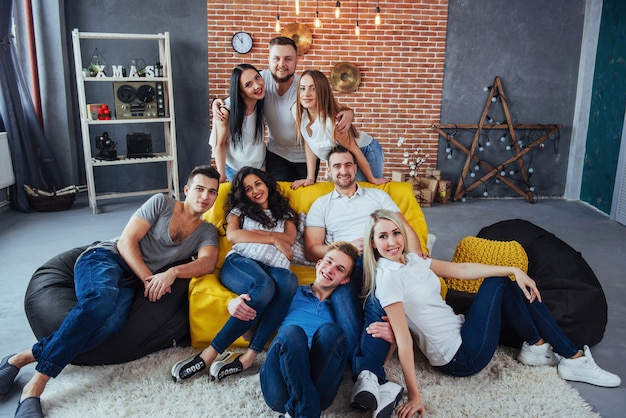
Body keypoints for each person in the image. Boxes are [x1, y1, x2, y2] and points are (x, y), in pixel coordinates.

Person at [0, 166, 221, 418]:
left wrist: (171, 273)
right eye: (200, 189)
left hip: (130, 283)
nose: (205, 196)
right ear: (187, 189)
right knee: (100, 302)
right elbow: (127, 241)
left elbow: (206, 263)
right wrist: (149, 279)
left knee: (109, 328)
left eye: (212, 192)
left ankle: (21, 358)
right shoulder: (161, 203)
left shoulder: (206, 231)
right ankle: (34, 388)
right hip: (105, 258)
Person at [362, 209, 622, 418]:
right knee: (498, 283)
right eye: (382, 236)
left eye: (396, 233)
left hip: (461, 330)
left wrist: (513, 269)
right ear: (373, 243)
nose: (392, 241)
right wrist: (415, 396)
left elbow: (461, 269)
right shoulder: (388, 280)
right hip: (458, 358)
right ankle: (572, 357)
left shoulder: (413, 260)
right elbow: (405, 341)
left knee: (504, 281)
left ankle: (539, 347)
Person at [304, 145, 425, 415]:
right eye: (337, 166)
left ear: (355, 168)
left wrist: (417, 256)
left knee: (378, 299)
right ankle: (372, 376)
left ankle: (365, 377)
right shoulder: (322, 205)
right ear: (329, 171)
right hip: (346, 263)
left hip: (379, 259)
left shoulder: (376, 197)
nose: (343, 170)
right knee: (345, 301)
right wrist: (345, 246)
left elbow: (403, 226)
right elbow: (312, 248)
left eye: (348, 165)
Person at [171, 166, 299, 383]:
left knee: (289, 281)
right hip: (241, 263)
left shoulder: (286, 214)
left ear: (266, 183)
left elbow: (289, 240)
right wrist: (273, 238)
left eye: (258, 184)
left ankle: (249, 356)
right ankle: (209, 354)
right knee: (264, 286)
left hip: (275, 267)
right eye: (248, 188)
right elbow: (233, 236)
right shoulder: (240, 211)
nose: (255, 190)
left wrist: (269, 237)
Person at [260, 241, 402, 418]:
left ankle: (302, 409)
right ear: (318, 263)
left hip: (320, 383)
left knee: (331, 331)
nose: (330, 269)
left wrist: (394, 341)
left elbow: (365, 354)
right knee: (292, 332)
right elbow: (254, 335)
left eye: (340, 269)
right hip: (278, 385)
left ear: (345, 280)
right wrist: (242, 309)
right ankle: (306, 411)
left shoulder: (346, 313)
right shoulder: (291, 293)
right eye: (328, 261)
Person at [212, 36, 354, 182]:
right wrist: (216, 102)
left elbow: (335, 106)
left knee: (303, 201)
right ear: (269, 59)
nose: (282, 64)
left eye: (288, 59)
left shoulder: (304, 86)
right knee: (278, 199)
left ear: (296, 60)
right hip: (276, 155)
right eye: (276, 59)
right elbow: (239, 91)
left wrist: (349, 113)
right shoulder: (261, 80)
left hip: (306, 157)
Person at [291, 70, 388, 189]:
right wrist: (310, 178)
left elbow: (354, 149)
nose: (306, 94)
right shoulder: (297, 111)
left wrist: (372, 179)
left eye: (313, 88)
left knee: (365, 191)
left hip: (365, 151)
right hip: (341, 156)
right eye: (302, 88)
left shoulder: (331, 124)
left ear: (322, 92)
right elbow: (308, 142)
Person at [209, 64, 266, 183]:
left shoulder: (262, 99)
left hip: (259, 164)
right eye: (248, 85)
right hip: (234, 169)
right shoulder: (226, 111)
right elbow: (219, 144)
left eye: (257, 77)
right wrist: (221, 175)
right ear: (241, 92)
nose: (257, 85)